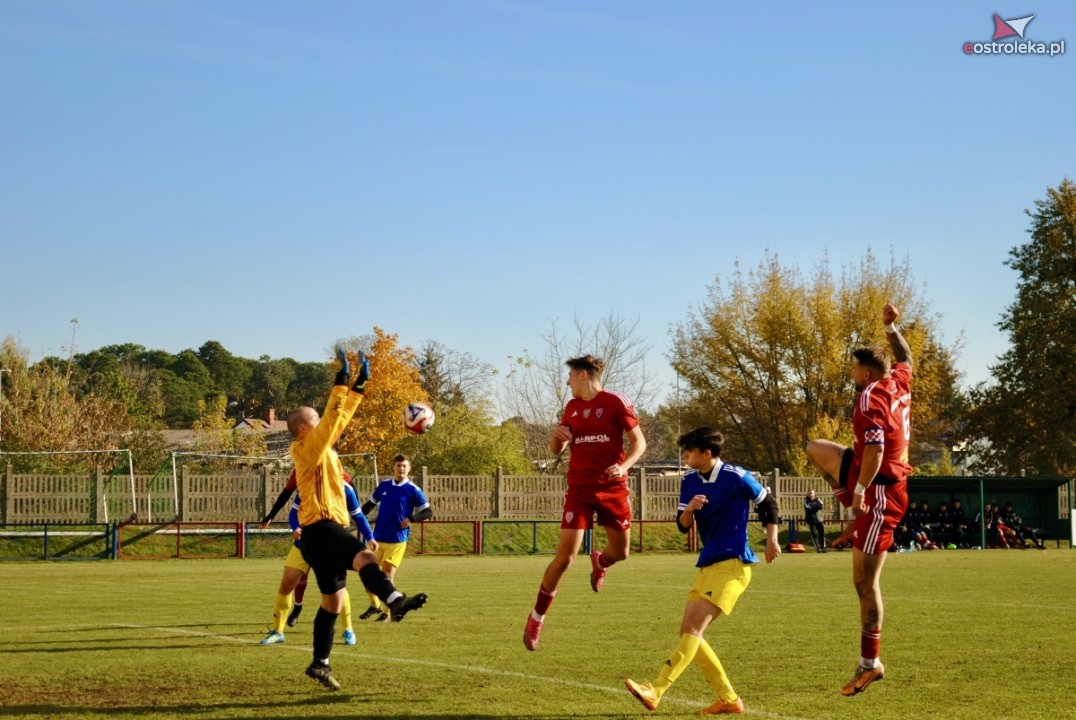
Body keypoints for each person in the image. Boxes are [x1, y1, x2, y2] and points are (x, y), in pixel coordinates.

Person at [289, 347, 428, 690]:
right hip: (320, 531)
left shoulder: (320, 448)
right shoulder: (307, 448)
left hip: (320, 535)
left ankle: (320, 663)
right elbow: (334, 419)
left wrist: (359, 386)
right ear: (305, 428)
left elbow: (339, 419)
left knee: (332, 603)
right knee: (366, 557)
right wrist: (342, 381)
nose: (322, 424)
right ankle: (395, 602)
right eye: (316, 421)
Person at [624, 427, 780, 715]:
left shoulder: (736, 476)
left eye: (689, 452)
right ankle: (729, 699)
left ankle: (656, 689)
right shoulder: (689, 481)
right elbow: (682, 525)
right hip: (708, 565)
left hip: (733, 565)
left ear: (706, 454)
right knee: (689, 631)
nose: (684, 456)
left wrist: (772, 540)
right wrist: (690, 509)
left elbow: (768, 503)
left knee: (693, 629)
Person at [806, 303, 912, 696]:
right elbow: (906, 357)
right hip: (874, 480)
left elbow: (876, 450)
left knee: (864, 584)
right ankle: (852, 511)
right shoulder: (898, 380)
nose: (852, 375)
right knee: (817, 448)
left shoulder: (869, 396)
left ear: (865, 373)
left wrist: (861, 492)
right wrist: (892, 328)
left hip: (882, 490)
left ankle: (871, 664)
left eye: (853, 369)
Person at [522, 354, 647, 652]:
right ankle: (537, 617)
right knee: (565, 557)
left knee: (622, 553)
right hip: (579, 490)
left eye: (569, 376)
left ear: (582, 375)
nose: (566, 382)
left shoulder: (616, 401)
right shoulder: (572, 408)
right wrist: (558, 438)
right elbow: (556, 450)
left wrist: (624, 466)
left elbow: (639, 443)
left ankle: (601, 561)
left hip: (613, 488)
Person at [259, 476, 373, 646]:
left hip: (330, 546)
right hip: (303, 544)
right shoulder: (307, 484)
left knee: (338, 588)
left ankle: (348, 629)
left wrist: (370, 537)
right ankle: (277, 631)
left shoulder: (345, 489)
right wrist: (296, 527)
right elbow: (294, 512)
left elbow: (358, 515)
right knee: (287, 584)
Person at [357, 454, 433, 622]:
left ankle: (389, 612)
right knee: (366, 573)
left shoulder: (413, 490)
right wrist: (358, 518)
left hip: (397, 540)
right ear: (393, 467)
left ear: (409, 469)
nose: (401, 469)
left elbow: (428, 511)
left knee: (386, 576)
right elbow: (369, 505)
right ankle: (375, 605)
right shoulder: (384, 486)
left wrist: (411, 518)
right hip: (378, 539)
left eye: (404, 466)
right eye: (399, 465)